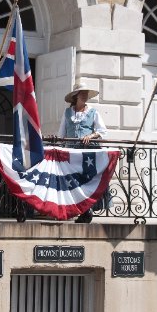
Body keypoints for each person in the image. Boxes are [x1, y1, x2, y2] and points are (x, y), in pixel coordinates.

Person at [56, 82, 108, 223]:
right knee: (74, 181)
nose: (85, 96)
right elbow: (62, 133)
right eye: (82, 93)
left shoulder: (93, 112)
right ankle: (76, 210)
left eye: (86, 93)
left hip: (87, 153)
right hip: (72, 152)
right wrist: (59, 149)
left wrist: (90, 136)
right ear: (76, 96)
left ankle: (87, 210)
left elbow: (102, 131)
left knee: (87, 181)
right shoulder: (67, 113)